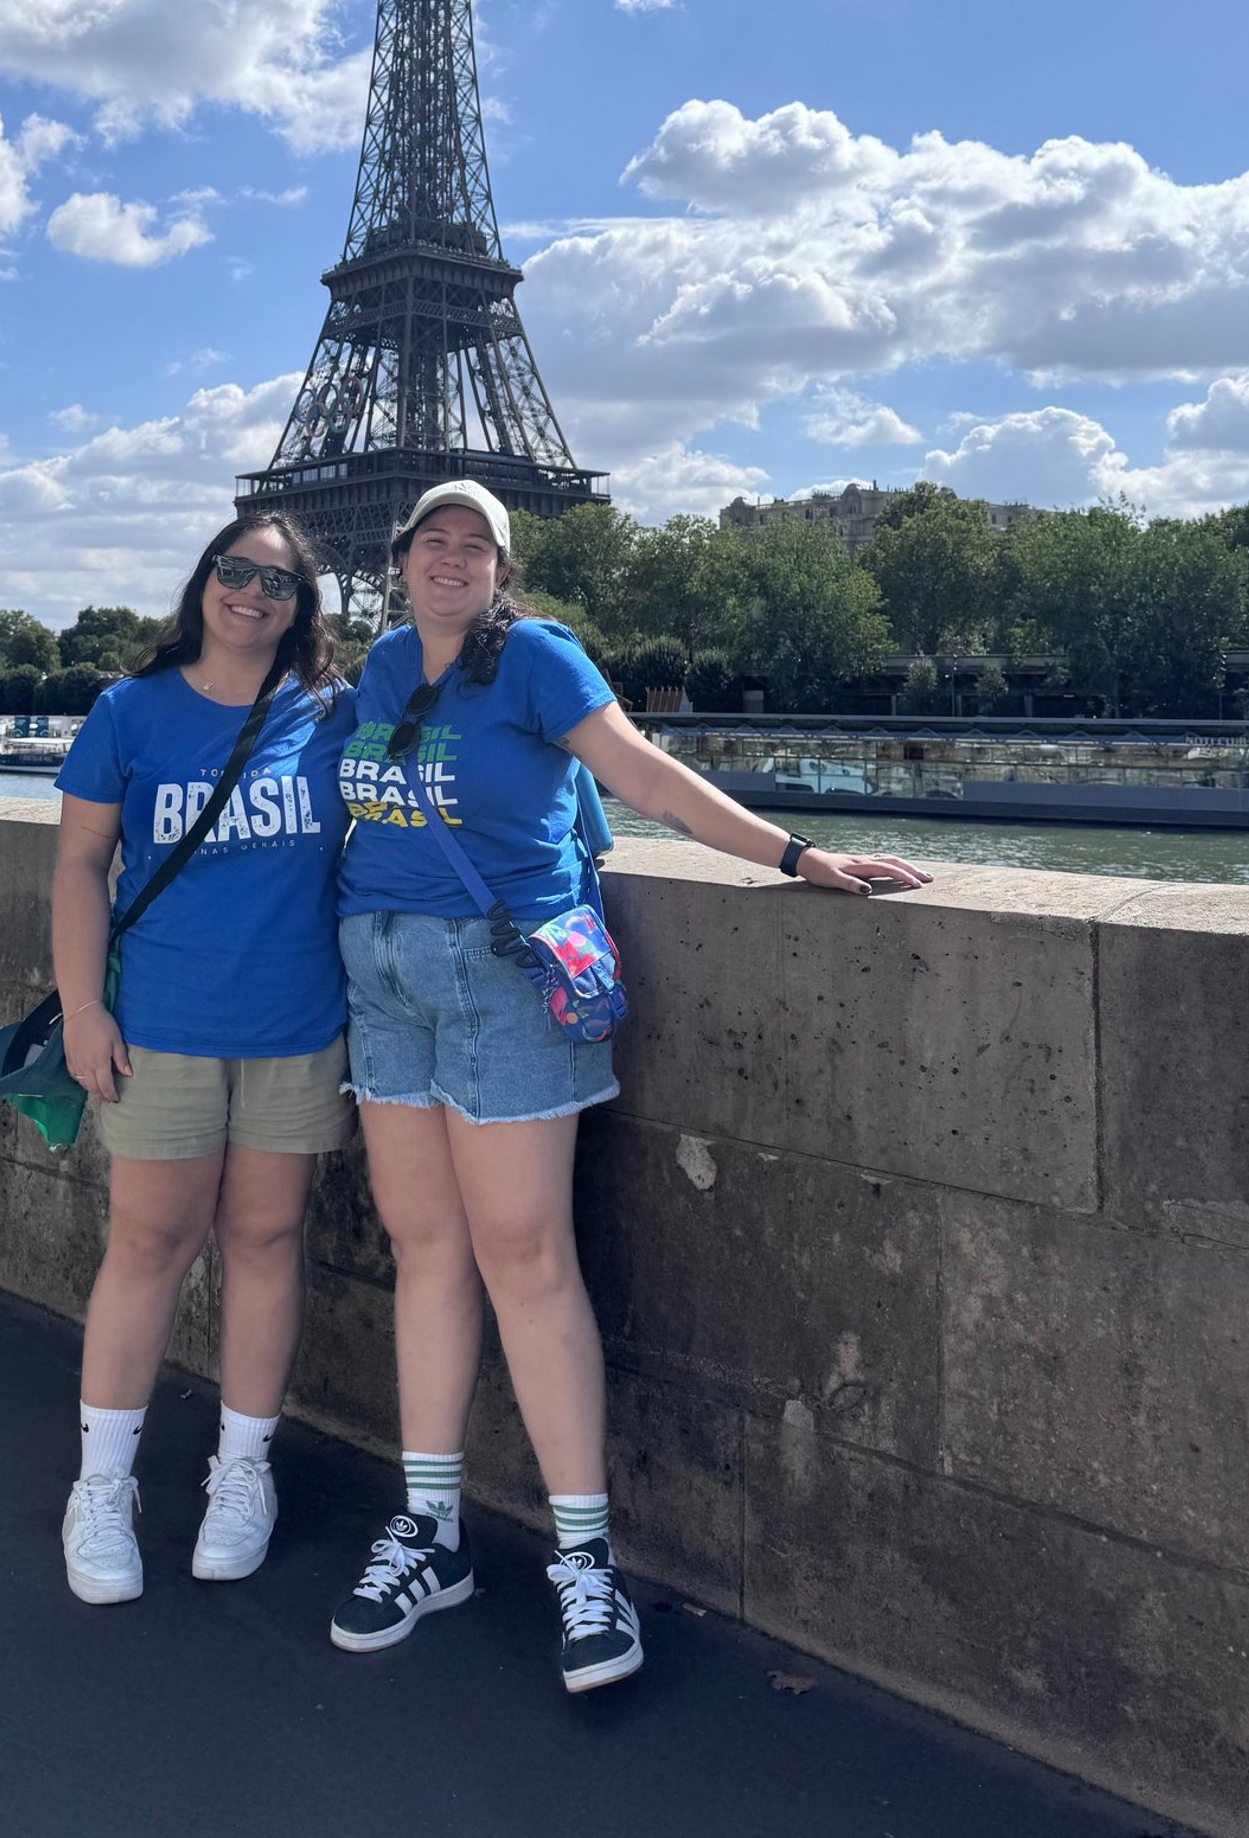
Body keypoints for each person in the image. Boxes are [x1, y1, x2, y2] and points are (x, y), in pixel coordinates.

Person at [328, 481, 928, 1693]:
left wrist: (798, 853)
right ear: (400, 562)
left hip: (502, 975)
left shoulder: (538, 658)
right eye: (432, 542)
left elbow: (643, 776)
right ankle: (431, 1528)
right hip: (381, 971)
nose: (452, 560)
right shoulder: (383, 668)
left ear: (502, 569)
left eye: (474, 546)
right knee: (427, 1250)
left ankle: (584, 1557)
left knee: (525, 1253)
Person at [50, 515, 357, 1604]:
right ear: (203, 581)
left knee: (267, 1239)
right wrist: (85, 1008)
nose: (253, 593)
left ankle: (243, 1472)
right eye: (236, 570)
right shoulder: (130, 711)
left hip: (296, 1026)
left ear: (301, 605)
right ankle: (101, 1484)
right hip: (166, 1026)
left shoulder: (330, 714)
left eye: (278, 582)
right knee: (148, 1241)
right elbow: (82, 863)